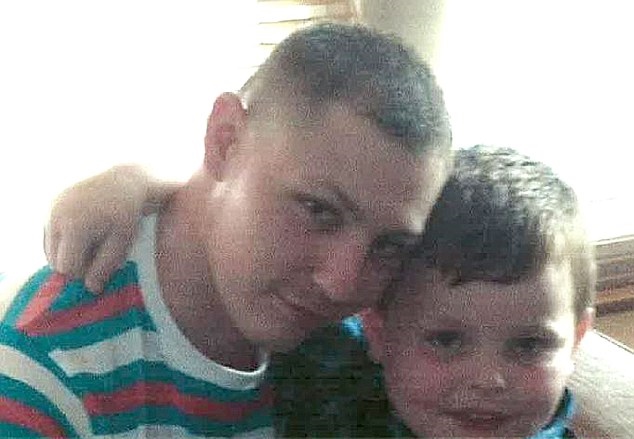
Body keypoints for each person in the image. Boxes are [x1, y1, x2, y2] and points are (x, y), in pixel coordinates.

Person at [0, 22, 452, 437]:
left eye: (390, 245)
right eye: (318, 210)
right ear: (226, 140)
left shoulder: (357, 357)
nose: (342, 286)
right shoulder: (51, 366)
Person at [272, 145, 595, 437]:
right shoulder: (331, 392)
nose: (488, 380)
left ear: (576, 342)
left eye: (529, 345)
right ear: (379, 335)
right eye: (446, 340)